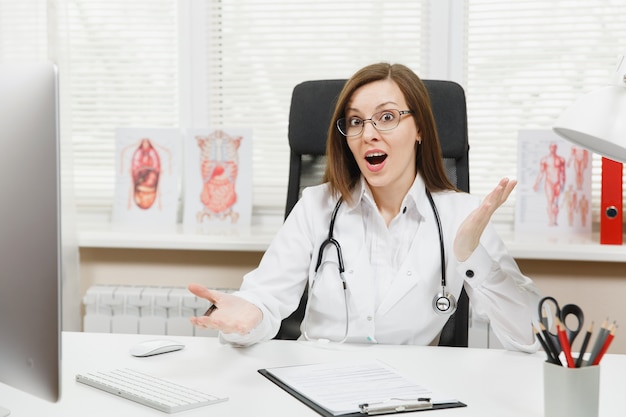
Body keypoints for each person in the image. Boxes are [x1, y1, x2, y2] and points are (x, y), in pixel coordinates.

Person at [188, 62, 541, 352]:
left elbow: (531, 336)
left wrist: (472, 256)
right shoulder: (316, 206)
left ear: (419, 129)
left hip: (411, 395)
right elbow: (265, 298)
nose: (368, 133)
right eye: (356, 121)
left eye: (386, 117)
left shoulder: (463, 215)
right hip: (317, 385)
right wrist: (246, 317)